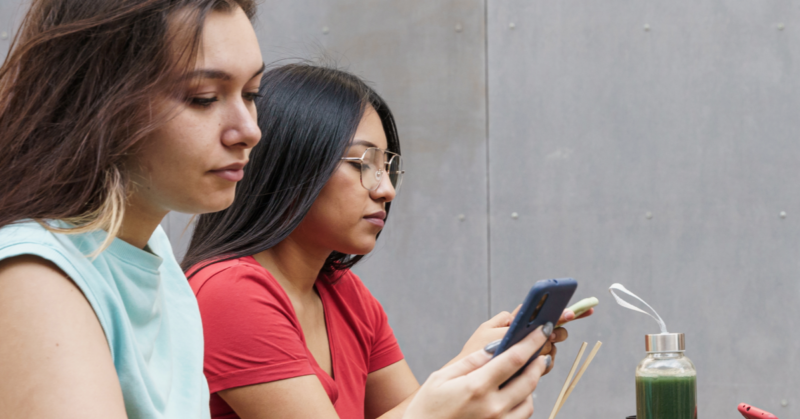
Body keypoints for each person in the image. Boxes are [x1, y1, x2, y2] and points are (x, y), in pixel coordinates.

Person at [183, 64, 592, 419]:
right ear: (293, 164)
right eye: (365, 164)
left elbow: (417, 411)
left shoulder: (343, 293)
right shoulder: (230, 291)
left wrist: (480, 365)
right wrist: (463, 375)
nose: (386, 191)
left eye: (389, 167)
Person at [0, 0, 265, 417]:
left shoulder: (150, 251)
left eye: (252, 94)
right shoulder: (35, 275)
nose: (249, 131)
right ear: (102, 100)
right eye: (204, 98)